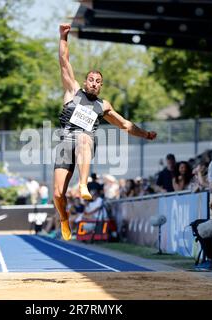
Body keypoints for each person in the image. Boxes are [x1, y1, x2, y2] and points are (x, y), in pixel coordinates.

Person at [53, 23, 157, 241]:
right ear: (85, 82)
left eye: (98, 82)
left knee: (83, 137)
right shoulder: (73, 91)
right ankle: (64, 219)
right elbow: (64, 62)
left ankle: (83, 184)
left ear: (101, 86)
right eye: (91, 80)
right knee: (57, 194)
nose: (94, 84)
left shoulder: (104, 106)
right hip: (64, 142)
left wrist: (146, 134)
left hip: (85, 143)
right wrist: (63, 36)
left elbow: (126, 125)